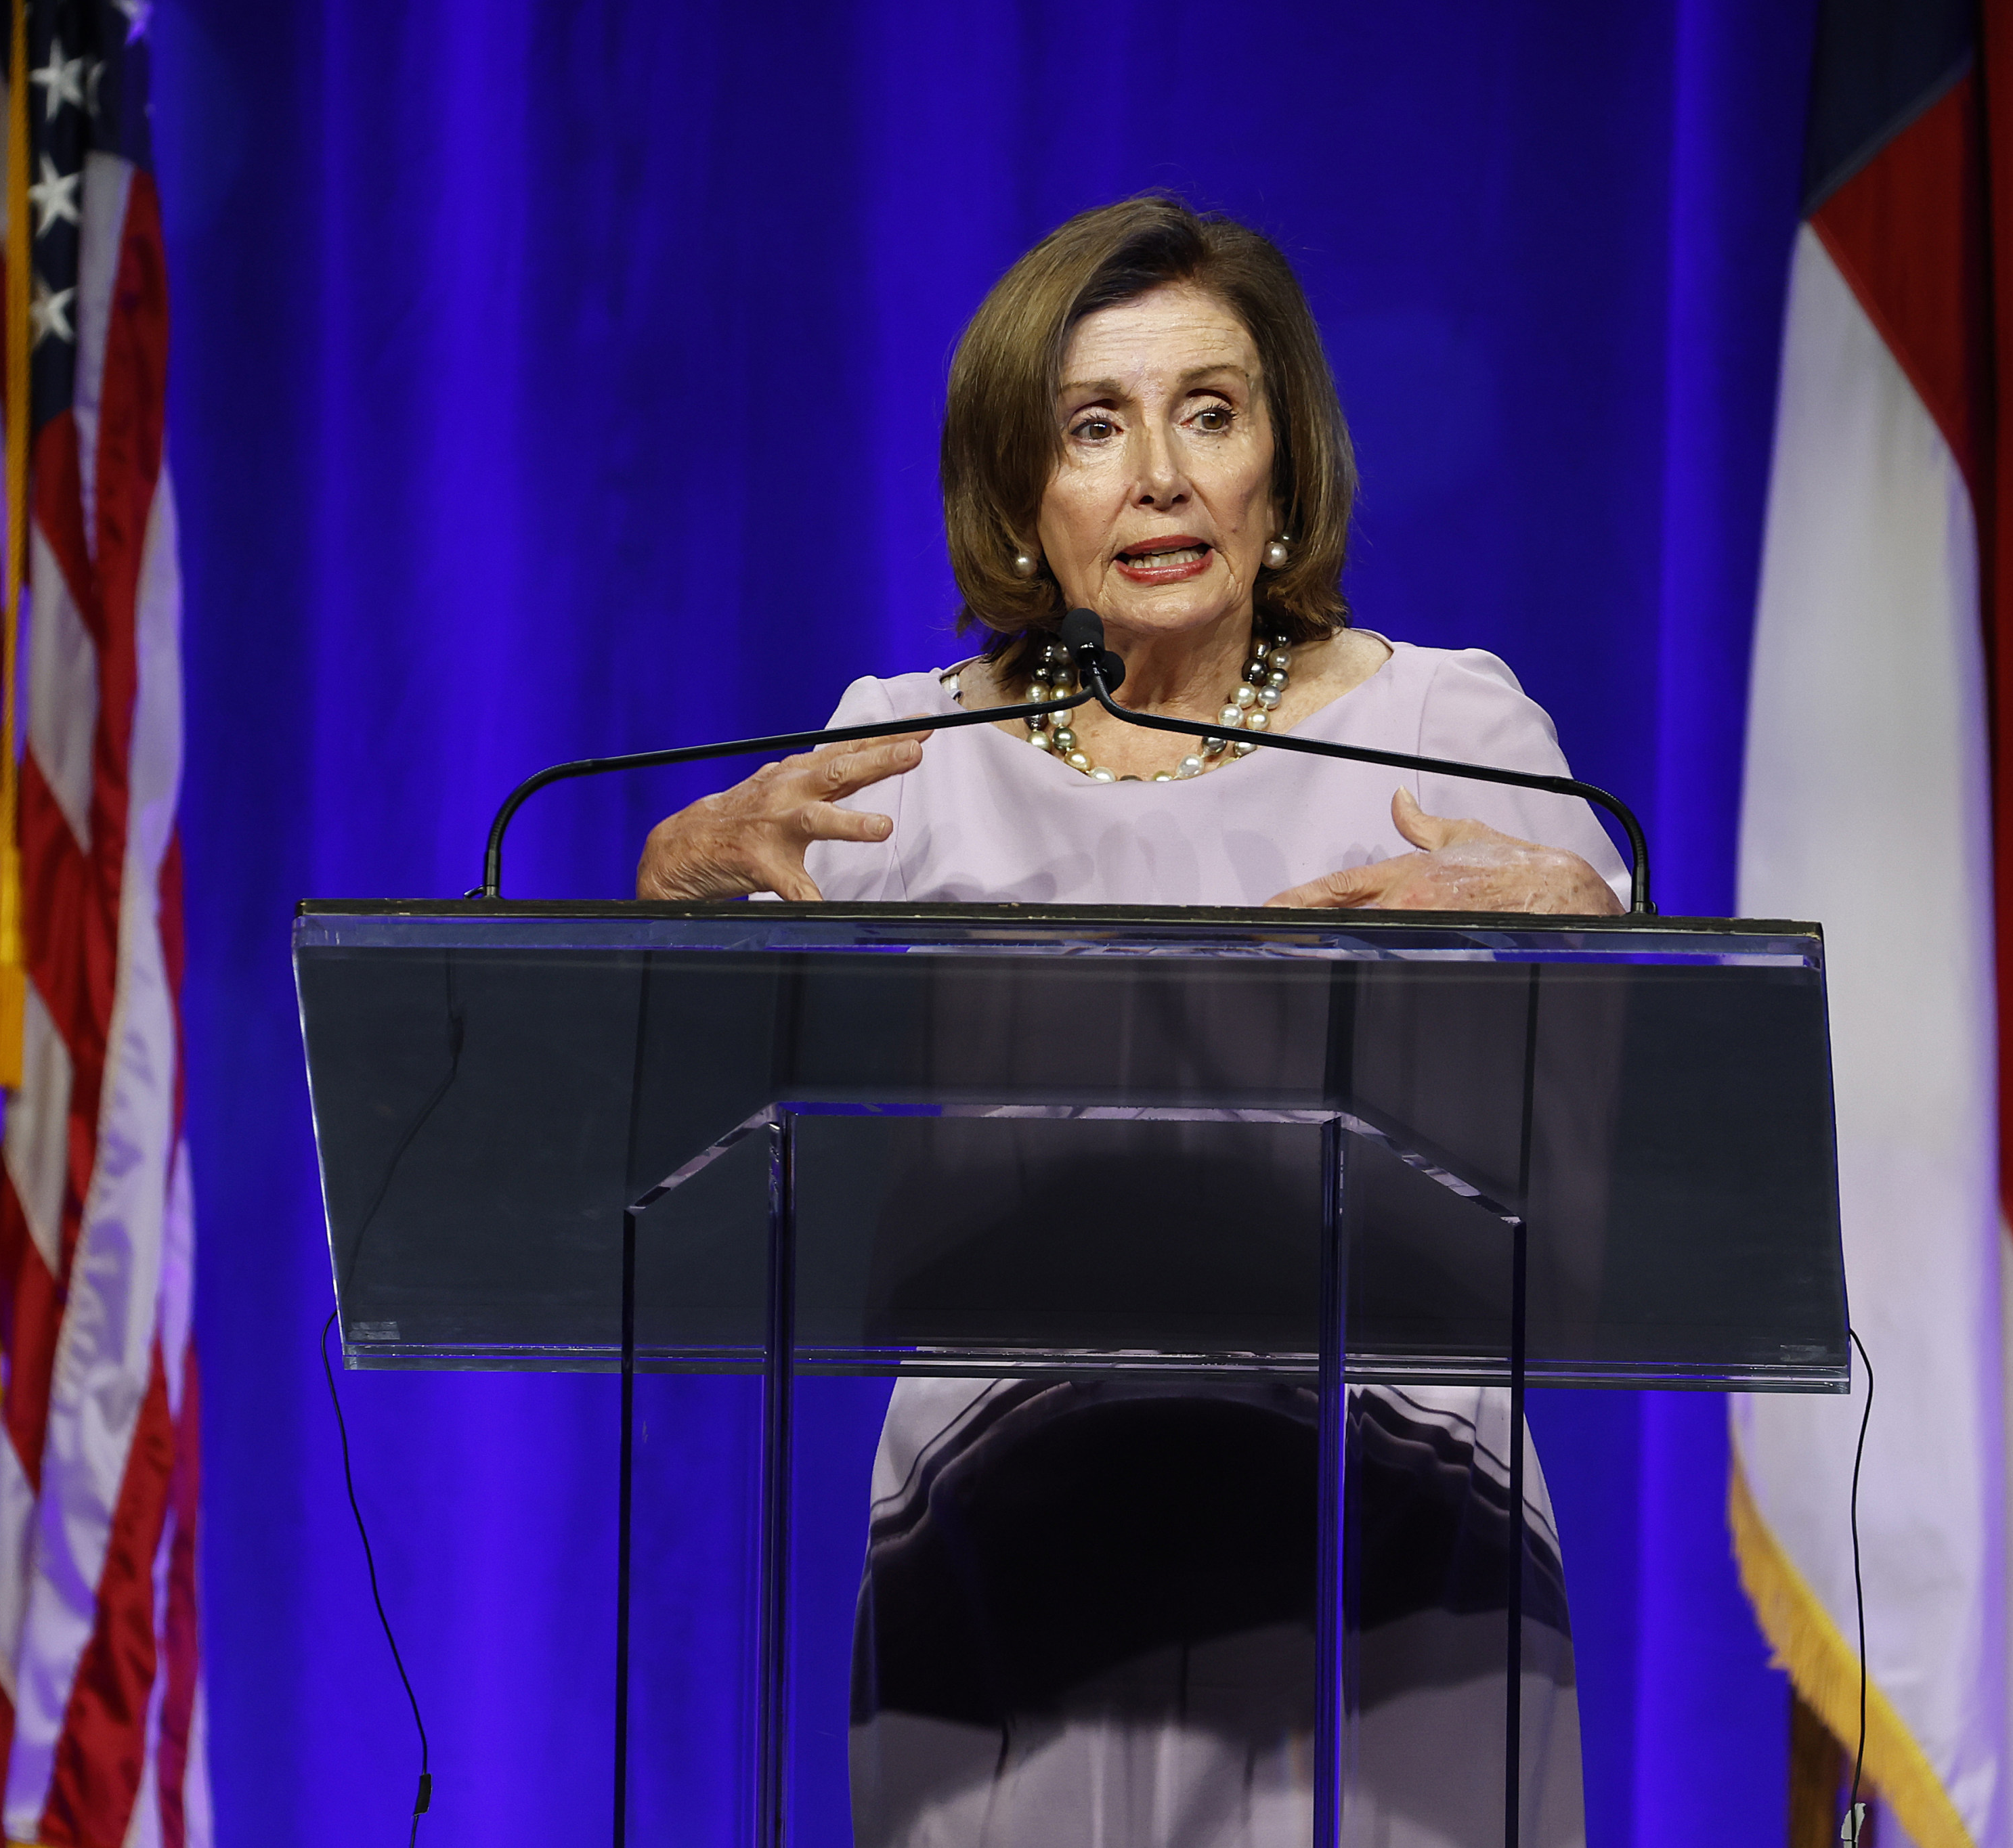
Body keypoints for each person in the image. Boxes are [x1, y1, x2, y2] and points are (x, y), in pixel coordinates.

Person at [636, 195, 1624, 1847]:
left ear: (1280, 467)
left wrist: (1595, 942)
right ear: (1023, 497)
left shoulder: (1444, 728)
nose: (1159, 473)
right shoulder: (898, 760)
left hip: (1393, 1540)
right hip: (1003, 1542)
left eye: (1210, 413)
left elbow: (1636, 1081)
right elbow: (688, 1107)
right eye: (1094, 425)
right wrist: (668, 886)